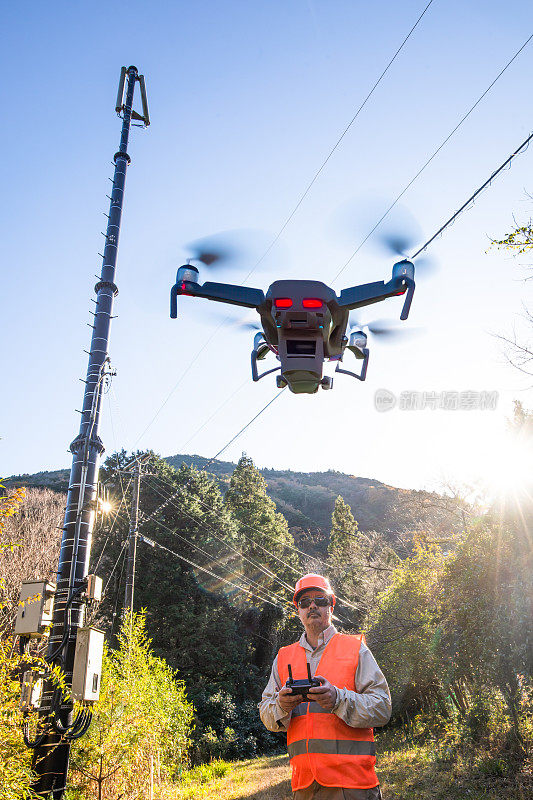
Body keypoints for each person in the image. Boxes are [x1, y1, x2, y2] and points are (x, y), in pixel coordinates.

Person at [259, 573, 391, 800]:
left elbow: (383, 707)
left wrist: (338, 699)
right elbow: (265, 712)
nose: (312, 606)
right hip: (304, 788)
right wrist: (281, 705)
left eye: (320, 599)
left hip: (353, 787)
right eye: (304, 602)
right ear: (298, 610)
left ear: (331, 605)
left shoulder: (355, 649)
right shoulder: (283, 657)